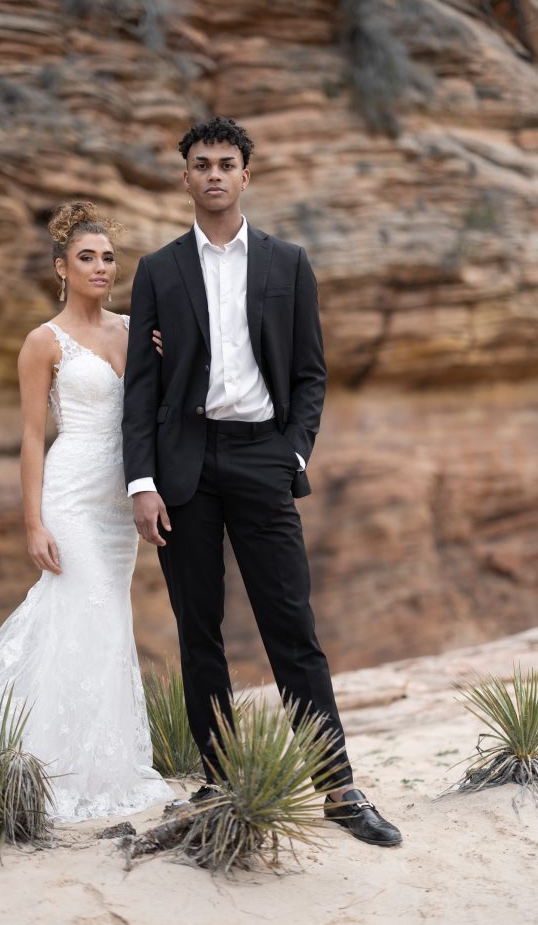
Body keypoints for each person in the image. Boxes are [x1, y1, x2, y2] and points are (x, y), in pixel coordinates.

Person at [122, 117, 402, 846]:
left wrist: (293, 455)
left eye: (226, 163)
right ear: (185, 176)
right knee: (199, 631)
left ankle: (337, 787)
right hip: (182, 466)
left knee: (292, 626)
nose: (213, 174)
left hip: (262, 458)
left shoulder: (288, 263)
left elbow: (311, 373)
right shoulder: (158, 270)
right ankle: (219, 783)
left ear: (246, 175)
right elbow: (142, 387)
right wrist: (142, 480)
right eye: (201, 164)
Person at [0, 200, 173, 821]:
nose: (101, 267)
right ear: (61, 268)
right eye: (86, 257)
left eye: (108, 258)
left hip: (120, 500)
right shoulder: (42, 342)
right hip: (70, 496)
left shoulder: (135, 330)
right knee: (87, 609)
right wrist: (33, 523)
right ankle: (50, 765)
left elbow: (155, 405)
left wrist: (166, 353)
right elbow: (30, 436)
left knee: (107, 622)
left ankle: (102, 761)